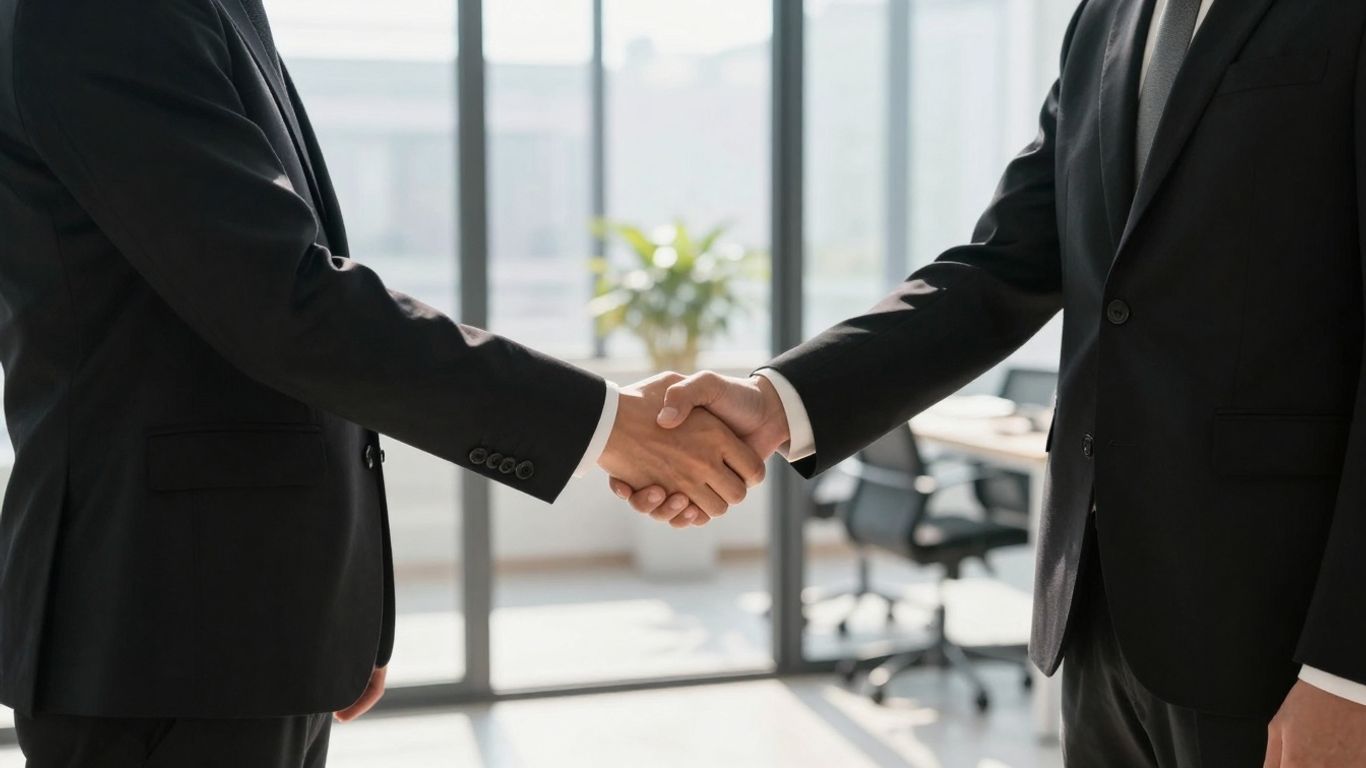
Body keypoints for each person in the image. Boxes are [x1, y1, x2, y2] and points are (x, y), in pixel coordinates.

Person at [0, 0, 761, 765]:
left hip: (248, 622)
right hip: (154, 628)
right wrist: (608, 426)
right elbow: (283, 301)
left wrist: (343, 608)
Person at [619, 0, 1366, 764]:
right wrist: (777, 401)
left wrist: (1348, 673)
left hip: (1277, 628)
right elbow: (1003, 267)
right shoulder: (1103, 19)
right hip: (1096, 609)